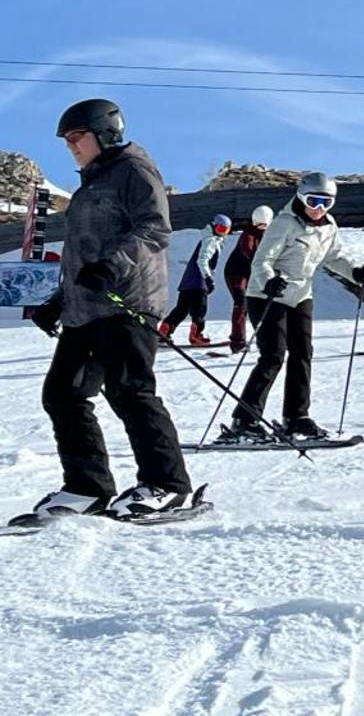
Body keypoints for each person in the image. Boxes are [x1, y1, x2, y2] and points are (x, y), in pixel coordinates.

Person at [23, 99, 196, 522]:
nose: (71, 146)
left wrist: (112, 267)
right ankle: (88, 487)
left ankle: (169, 486)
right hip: (86, 310)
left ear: (107, 132)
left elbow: (154, 228)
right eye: (67, 140)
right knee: (62, 394)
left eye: (77, 137)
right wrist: (58, 302)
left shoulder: (134, 170)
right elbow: (83, 256)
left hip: (126, 302)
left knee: (130, 392)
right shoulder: (90, 184)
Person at [222, 173, 364, 444]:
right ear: (302, 197)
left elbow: (334, 257)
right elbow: (261, 261)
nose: (319, 208)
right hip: (267, 295)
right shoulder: (284, 223)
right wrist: (270, 282)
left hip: (301, 295)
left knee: (303, 353)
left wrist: (355, 272)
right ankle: (245, 420)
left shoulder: (329, 227)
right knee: (273, 355)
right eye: (314, 200)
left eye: (327, 202)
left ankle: (296, 418)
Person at [161, 213, 231, 346]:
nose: (222, 233)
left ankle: (164, 331)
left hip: (188, 281)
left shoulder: (206, 239)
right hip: (199, 282)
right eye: (221, 229)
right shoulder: (210, 240)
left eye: (225, 230)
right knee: (199, 309)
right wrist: (208, 278)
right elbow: (202, 260)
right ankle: (196, 336)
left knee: (181, 309)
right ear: (213, 226)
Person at [223, 205, 273, 352]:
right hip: (235, 273)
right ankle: (237, 342)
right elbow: (248, 252)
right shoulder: (248, 234)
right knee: (241, 303)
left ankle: (264, 338)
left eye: (264, 225)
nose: (261, 227)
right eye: (259, 224)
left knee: (258, 305)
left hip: (250, 274)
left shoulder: (269, 234)